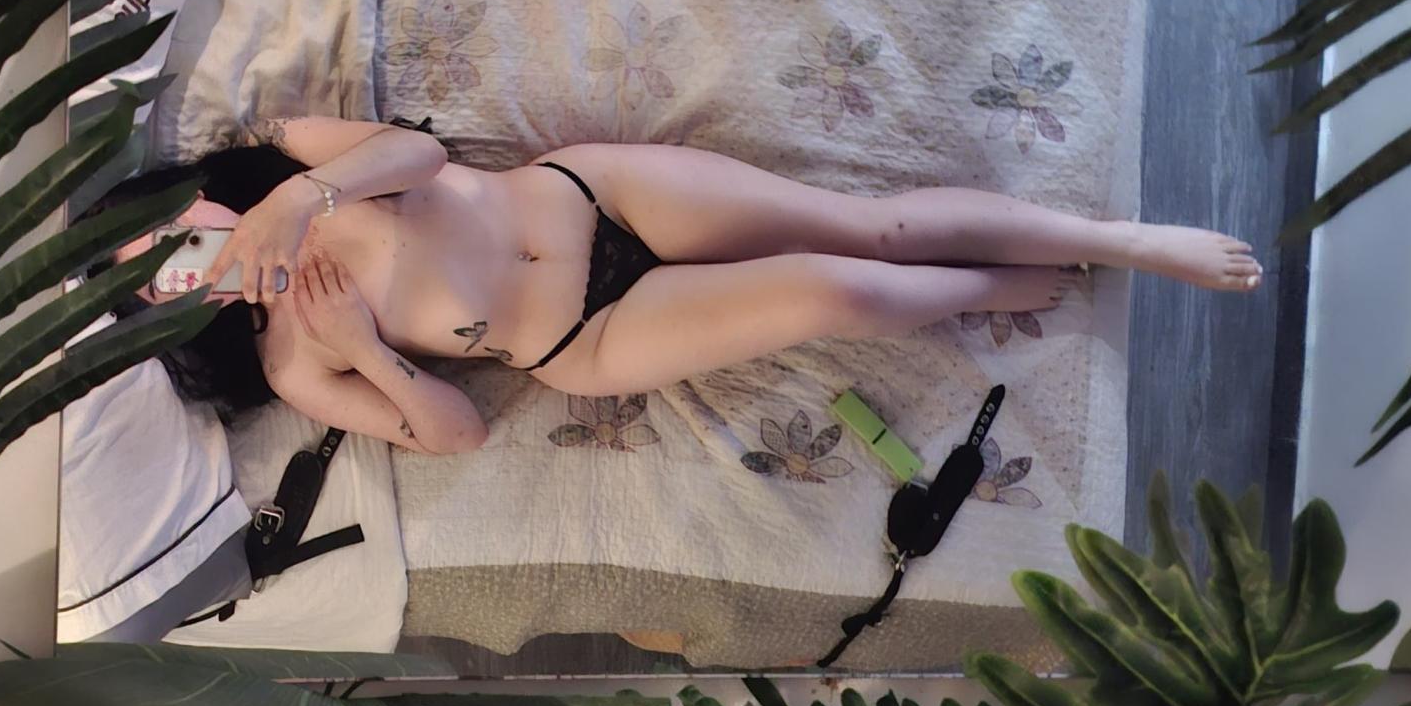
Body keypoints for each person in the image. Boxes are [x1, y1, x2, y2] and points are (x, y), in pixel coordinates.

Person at [110, 115, 1260, 454]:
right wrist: (367, 352)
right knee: (842, 296)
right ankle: (971, 291)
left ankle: (1119, 239)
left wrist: (300, 199)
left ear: (189, 205)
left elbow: (420, 152)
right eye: (162, 286)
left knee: (874, 229)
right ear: (177, 321)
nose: (189, 259)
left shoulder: (291, 163)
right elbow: (455, 435)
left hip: (589, 199)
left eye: (170, 237)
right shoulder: (295, 362)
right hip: (585, 340)